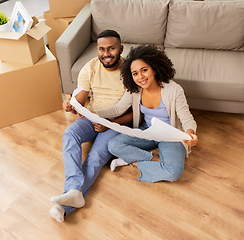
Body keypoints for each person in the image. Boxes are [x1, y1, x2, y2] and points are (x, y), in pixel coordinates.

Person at [50, 29, 132, 222]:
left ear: (121, 49)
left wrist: (109, 123)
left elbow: (135, 113)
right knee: (69, 134)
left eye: (111, 48)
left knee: (95, 157)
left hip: (114, 124)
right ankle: (73, 190)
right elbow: (79, 102)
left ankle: (63, 207)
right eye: (101, 49)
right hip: (91, 117)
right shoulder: (90, 67)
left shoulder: (130, 71)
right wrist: (71, 106)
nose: (106, 53)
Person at [95, 45, 198, 183]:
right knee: (113, 145)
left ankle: (133, 162)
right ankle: (155, 161)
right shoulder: (134, 89)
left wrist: (190, 133)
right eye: (135, 73)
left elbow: (187, 119)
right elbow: (118, 109)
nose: (140, 77)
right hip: (147, 131)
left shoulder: (174, 90)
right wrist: (94, 113)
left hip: (170, 135)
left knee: (173, 172)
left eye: (144, 70)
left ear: (154, 69)